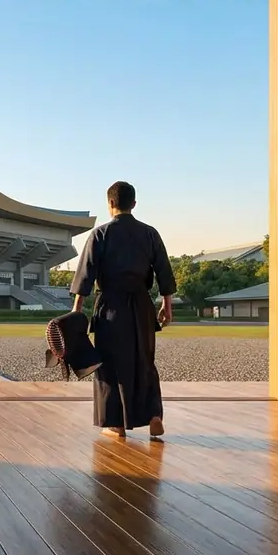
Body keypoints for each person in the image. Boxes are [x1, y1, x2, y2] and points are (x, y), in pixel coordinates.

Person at [69, 181, 176, 439]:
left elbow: (86, 274)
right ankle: (153, 416)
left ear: (110, 204)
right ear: (134, 204)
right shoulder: (150, 233)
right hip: (142, 307)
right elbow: (163, 270)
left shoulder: (100, 234)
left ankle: (115, 424)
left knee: (109, 364)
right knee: (144, 362)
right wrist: (167, 304)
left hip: (110, 308)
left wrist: (76, 311)